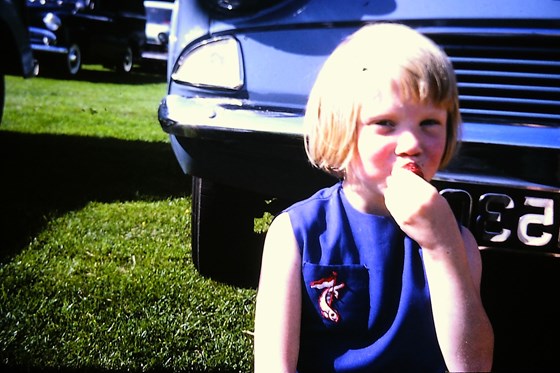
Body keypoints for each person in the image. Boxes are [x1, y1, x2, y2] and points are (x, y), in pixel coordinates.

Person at [254, 23, 494, 372]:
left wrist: (442, 248)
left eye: (430, 123)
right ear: (341, 129)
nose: (412, 144)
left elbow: (473, 365)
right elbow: (274, 364)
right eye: (385, 123)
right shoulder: (296, 233)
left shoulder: (457, 240)